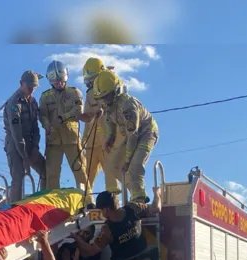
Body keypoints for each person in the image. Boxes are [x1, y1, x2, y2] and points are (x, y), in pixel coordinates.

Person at [92, 69, 159, 202]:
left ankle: (139, 200)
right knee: (113, 165)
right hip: (129, 135)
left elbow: (133, 136)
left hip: (146, 133)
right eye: (101, 98)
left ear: (116, 91)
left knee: (134, 166)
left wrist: (127, 160)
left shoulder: (128, 105)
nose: (104, 100)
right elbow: (110, 121)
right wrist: (109, 137)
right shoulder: (108, 105)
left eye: (107, 96)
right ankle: (134, 192)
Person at [39, 60, 88, 194]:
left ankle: (87, 200)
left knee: (79, 169)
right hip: (53, 140)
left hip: (71, 138)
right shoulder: (45, 97)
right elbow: (42, 115)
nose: (58, 83)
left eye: (60, 80)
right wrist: (46, 124)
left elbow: (78, 110)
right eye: (55, 81)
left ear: (65, 77)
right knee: (52, 173)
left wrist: (63, 117)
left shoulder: (74, 92)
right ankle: (53, 203)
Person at [79, 57, 120, 205]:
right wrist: (83, 140)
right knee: (86, 176)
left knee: (110, 173)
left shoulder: (113, 87)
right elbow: (88, 120)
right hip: (91, 143)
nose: (90, 82)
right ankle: (85, 203)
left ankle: (113, 202)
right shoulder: (90, 94)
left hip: (107, 140)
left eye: (92, 78)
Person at [4, 70, 47, 203]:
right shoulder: (14, 103)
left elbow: (35, 127)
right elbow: (16, 132)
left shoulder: (33, 102)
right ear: (21, 84)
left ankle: (42, 202)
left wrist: (35, 147)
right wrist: (24, 156)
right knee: (18, 177)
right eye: (29, 86)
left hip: (29, 142)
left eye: (34, 87)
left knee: (46, 171)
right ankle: (13, 209)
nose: (32, 89)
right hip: (15, 143)